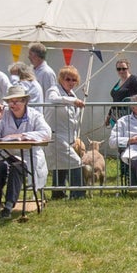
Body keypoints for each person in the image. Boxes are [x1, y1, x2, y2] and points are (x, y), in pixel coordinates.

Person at [0, 83, 52, 220]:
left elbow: (46, 133)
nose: (14, 104)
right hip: (4, 154)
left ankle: (8, 207)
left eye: (17, 101)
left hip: (27, 156)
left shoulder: (35, 116)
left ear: (25, 101)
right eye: (11, 101)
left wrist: (22, 136)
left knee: (17, 168)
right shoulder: (4, 115)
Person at [43, 63, 89, 199]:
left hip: (67, 136)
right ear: (61, 79)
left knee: (61, 165)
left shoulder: (72, 93)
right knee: (75, 162)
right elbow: (52, 100)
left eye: (73, 80)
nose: (71, 82)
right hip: (55, 134)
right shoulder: (53, 90)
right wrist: (72, 100)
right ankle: (78, 194)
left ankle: (58, 194)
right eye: (67, 79)